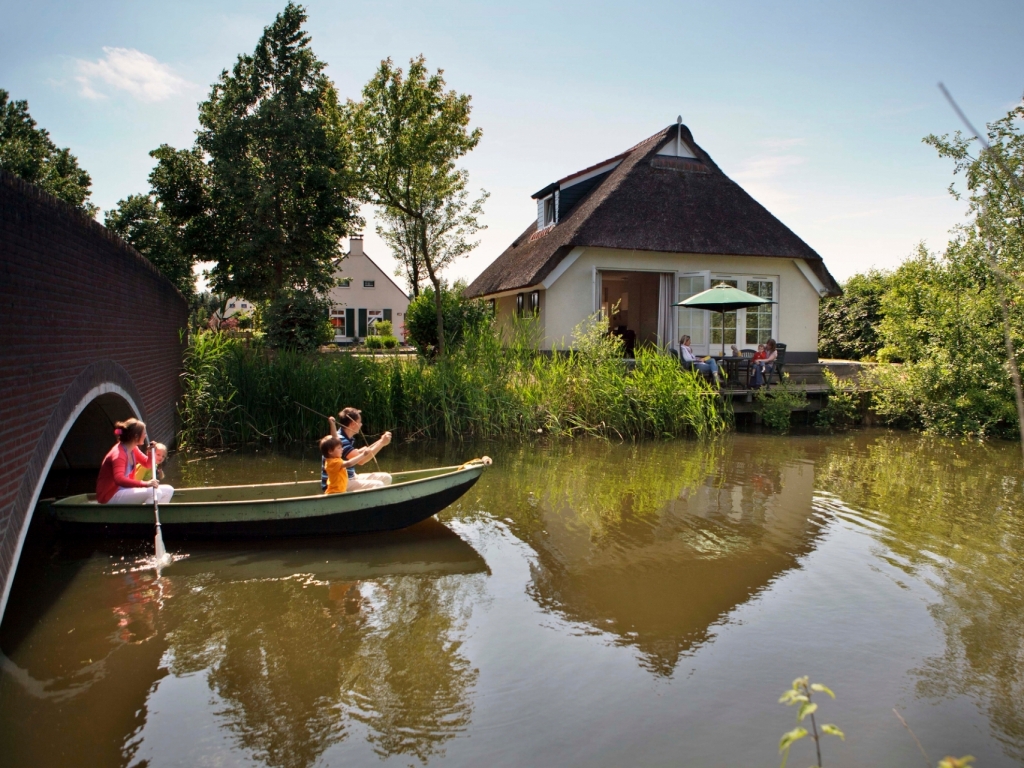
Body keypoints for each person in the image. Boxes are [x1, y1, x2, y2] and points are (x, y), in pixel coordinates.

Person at [96, 419, 174, 504]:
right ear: (136, 436)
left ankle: (160, 515)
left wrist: (150, 452)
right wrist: (145, 483)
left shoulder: (133, 449)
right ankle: (145, 517)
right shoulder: (118, 454)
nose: (145, 435)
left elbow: (147, 464)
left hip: (125, 490)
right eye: (144, 433)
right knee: (155, 492)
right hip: (110, 495)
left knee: (169, 490)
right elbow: (119, 479)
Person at [320, 407, 392, 492]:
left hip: (350, 476)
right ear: (353, 424)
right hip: (338, 483)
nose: (361, 424)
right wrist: (382, 443)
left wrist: (380, 441)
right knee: (378, 485)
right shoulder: (341, 440)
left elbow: (351, 454)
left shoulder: (343, 438)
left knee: (386, 477)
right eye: (360, 422)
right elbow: (361, 461)